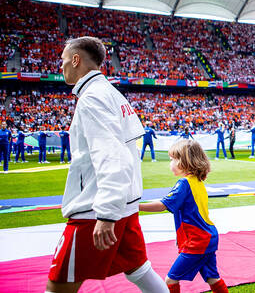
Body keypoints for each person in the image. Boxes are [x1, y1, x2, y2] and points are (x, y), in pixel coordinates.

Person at [47, 36, 167, 293]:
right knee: (140, 272)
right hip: (125, 205)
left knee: (57, 286)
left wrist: (106, 213)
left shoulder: (92, 97)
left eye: (64, 60)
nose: (62, 65)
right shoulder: (112, 93)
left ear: (76, 60)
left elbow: (112, 155)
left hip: (96, 208)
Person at [139, 139, 227, 293]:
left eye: (172, 159)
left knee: (171, 279)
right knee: (212, 277)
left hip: (198, 241)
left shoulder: (183, 184)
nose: (170, 163)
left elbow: (162, 205)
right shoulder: (197, 181)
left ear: (184, 161)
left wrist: (133, 206)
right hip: (207, 237)